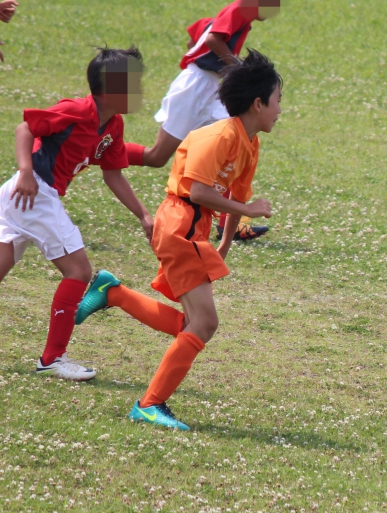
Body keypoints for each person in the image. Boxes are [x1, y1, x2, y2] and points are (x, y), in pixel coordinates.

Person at [76, 50, 280, 429]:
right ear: (258, 103)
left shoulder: (249, 143)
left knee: (192, 323)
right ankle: (149, 404)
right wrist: (249, 210)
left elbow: (235, 197)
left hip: (193, 228)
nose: (280, 110)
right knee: (204, 323)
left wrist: (224, 244)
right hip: (180, 222)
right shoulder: (217, 136)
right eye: (278, 100)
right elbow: (200, 192)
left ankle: (113, 293)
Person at [0, 46, 153, 381]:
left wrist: (143, 214)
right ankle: (52, 358)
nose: (140, 90)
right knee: (79, 270)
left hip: (22, 196)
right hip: (35, 191)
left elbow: (113, 174)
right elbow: (25, 129)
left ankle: (53, 357)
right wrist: (25, 172)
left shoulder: (113, 124)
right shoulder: (77, 110)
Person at [125, 0, 280, 241]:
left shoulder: (240, 17)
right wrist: (237, 68)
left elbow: (195, 37)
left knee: (234, 144)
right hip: (195, 87)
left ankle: (229, 225)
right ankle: (100, 150)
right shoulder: (240, 8)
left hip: (211, 87)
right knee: (156, 157)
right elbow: (211, 39)